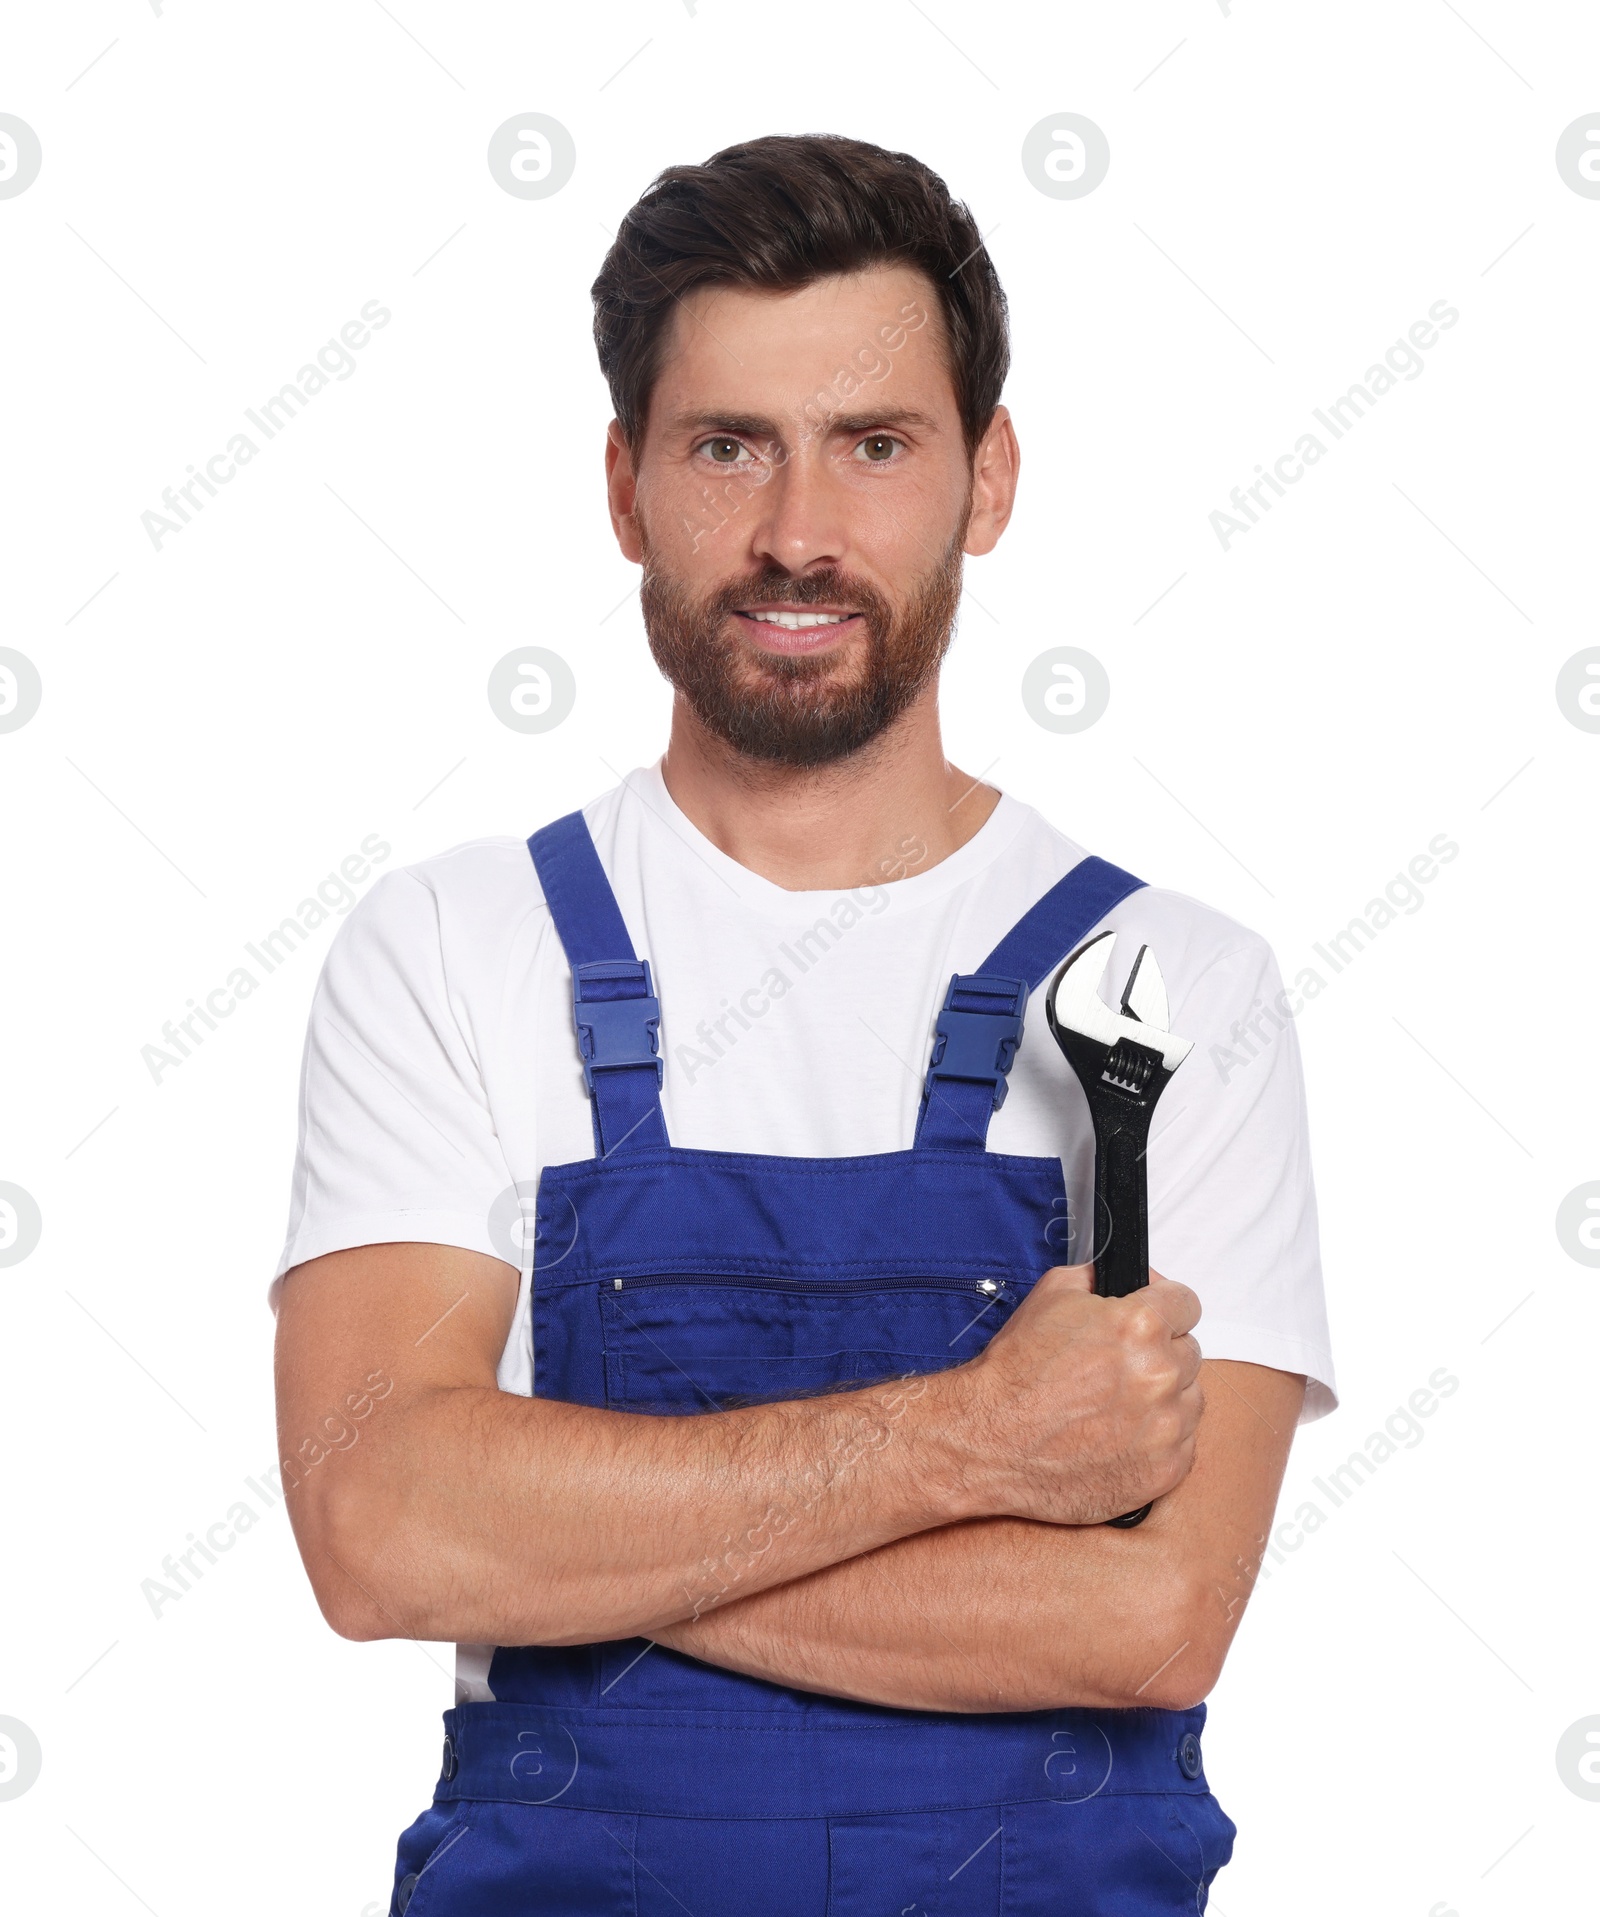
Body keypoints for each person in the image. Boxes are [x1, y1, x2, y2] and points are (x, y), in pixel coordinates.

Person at [272, 132, 1336, 1916]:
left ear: (988, 478)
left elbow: (1155, 1621)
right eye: (726, 446)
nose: (796, 535)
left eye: (876, 445)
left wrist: (561, 1539)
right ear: (625, 487)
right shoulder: (452, 946)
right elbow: (377, 1525)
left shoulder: (1176, 990)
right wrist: (974, 1449)